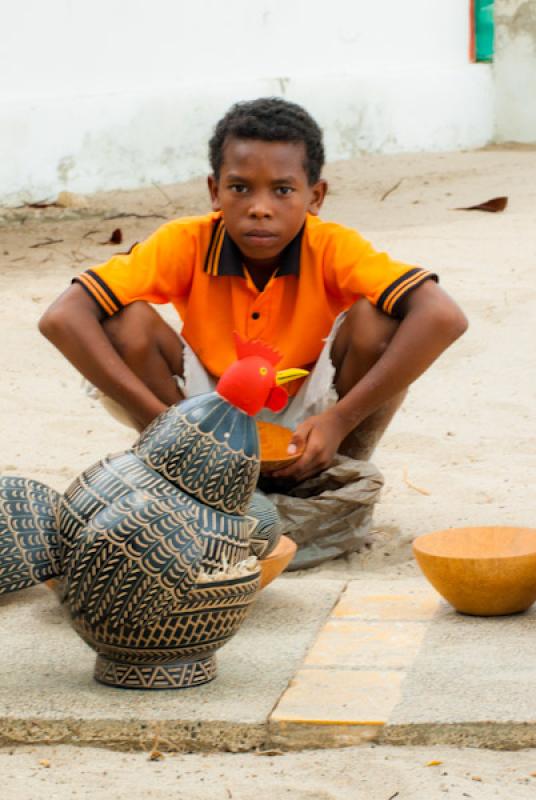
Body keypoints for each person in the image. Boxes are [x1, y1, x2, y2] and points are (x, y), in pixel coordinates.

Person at [39, 97, 467, 484]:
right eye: (240, 188)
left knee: (381, 321)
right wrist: (170, 429)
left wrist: (339, 421)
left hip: (312, 412)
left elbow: (443, 316)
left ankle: (331, 476)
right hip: (205, 412)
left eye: (283, 190)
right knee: (124, 321)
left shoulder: (333, 246)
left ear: (315, 197)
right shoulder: (185, 242)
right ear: (214, 191)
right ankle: (182, 471)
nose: (260, 208)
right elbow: (61, 318)